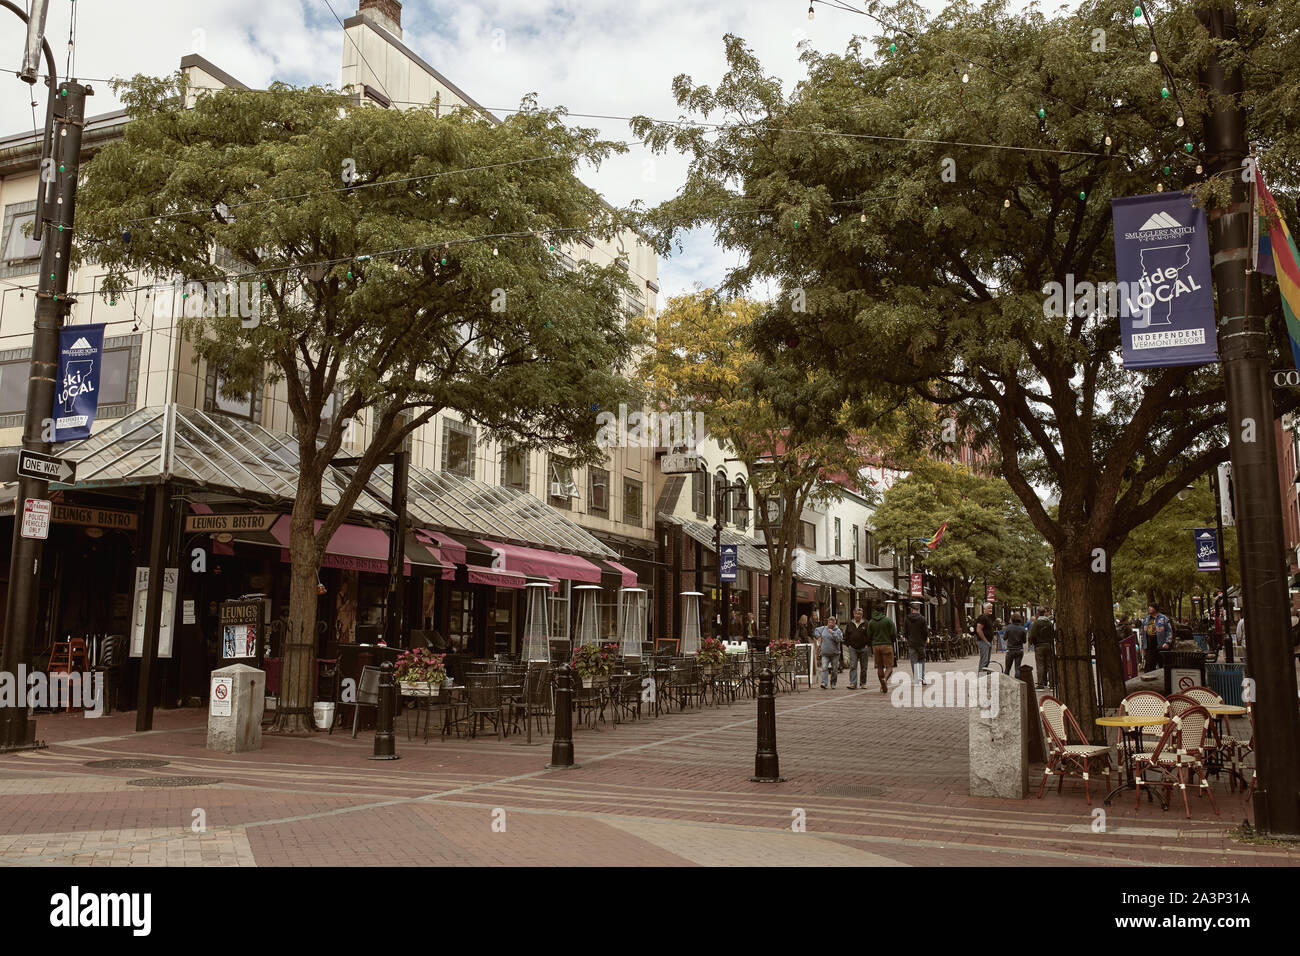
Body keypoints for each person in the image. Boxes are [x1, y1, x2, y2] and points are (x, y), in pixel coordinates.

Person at [867, 603, 898, 692]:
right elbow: (893, 634)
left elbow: (869, 635)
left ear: (875, 611)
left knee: (879, 666)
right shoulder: (888, 620)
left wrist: (873, 642)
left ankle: (882, 684)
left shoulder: (871, 622)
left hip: (876, 646)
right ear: (883, 611)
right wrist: (891, 640)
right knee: (889, 666)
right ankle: (884, 679)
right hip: (887, 645)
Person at [841, 607, 871, 689]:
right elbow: (846, 635)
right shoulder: (850, 623)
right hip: (853, 648)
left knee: (864, 667)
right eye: (856, 614)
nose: (857, 615)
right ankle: (853, 683)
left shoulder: (866, 623)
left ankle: (863, 683)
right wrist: (848, 645)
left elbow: (870, 635)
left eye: (859, 614)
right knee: (853, 666)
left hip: (863, 648)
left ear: (862, 615)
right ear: (854, 614)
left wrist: (868, 645)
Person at [1142, 603, 1173, 675]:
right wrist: (1143, 645)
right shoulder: (1146, 619)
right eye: (1149, 607)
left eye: (1151, 607)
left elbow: (1169, 631)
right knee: (1149, 664)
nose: (1149, 608)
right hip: (1149, 644)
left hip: (1160, 644)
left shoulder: (1163, 618)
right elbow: (1143, 632)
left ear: (1155, 609)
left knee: (1162, 664)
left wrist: (1167, 642)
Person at [815, 617, 844, 690]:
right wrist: (818, 636)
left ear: (835, 623)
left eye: (832, 623)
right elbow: (816, 630)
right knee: (824, 668)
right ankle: (824, 683)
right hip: (825, 653)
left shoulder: (838, 630)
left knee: (834, 669)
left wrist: (833, 633)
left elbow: (839, 639)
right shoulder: (823, 628)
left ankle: (833, 683)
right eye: (829, 622)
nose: (830, 624)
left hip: (835, 654)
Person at [1029, 607, 1055, 689]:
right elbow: (1053, 634)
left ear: (1037, 613)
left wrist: (1033, 643)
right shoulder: (1049, 623)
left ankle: (1041, 684)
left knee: (1040, 665)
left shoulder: (1036, 623)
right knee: (1050, 665)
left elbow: (1032, 635)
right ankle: (1052, 684)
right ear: (1044, 612)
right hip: (1048, 645)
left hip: (1039, 646)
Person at [903, 601, 928, 685]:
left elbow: (905, 632)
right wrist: (924, 641)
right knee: (921, 660)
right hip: (920, 643)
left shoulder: (907, 619)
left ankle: (916, 679)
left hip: (911, 643)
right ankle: (922, 678)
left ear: (911, 609)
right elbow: (925, 632)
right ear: (918, 609)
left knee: (914, 662)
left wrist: (908, 639)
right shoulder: (922, 619)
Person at [975, 603, 997, 673]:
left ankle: (983, 676)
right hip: (983, 641)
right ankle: (981, 678)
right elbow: (979, 630)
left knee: (986, 661)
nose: (990, 610)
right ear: (984, 609)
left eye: (991, 608)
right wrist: (985, 641)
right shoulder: (982, 617)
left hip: (987, 641)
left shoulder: (988, 618)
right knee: (984, 661)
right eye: (989, 608)